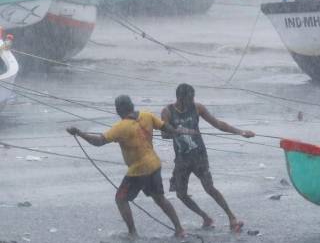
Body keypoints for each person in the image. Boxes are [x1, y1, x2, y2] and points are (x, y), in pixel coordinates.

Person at [66, 95, 187, 238]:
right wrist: (175, 131)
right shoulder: (147, 115)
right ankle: (179, 229)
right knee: (160, 199)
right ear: (132, 105)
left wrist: (79, 133)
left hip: (139, 170)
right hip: (154, 164)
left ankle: (132, 233)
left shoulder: (120, 127)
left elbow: (99, 141)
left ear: (119, 109)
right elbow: (164, 126)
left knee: (121, 199)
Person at [161, 83, 254, 233]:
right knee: (181, 194)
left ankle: (232, 218)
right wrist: (177, 130)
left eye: (193, 98)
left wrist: (240, 132)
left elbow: (218, 124)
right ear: (179, 98)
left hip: (199, 156)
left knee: (209, 188)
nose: (192, 101)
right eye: (189, 99)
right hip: (182, 159)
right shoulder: (167, 112)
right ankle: (205, 217)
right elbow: (164, 134)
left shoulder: (198, 108)